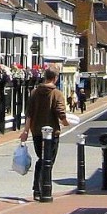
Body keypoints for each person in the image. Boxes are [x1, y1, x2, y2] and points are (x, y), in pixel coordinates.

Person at [20, 67, 70, 200]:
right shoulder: (57, 93)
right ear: (55, 78)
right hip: (51, 134)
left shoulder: (34, 92)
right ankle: (44, 190)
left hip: (36, 132)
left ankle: (38, 189)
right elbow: (61, 112)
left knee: (41, 159)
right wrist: (65, 122)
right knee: (48, 161)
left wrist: (25, 131)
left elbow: (29, 113)